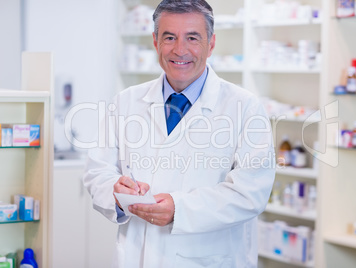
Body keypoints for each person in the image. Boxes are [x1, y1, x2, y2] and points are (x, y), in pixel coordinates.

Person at [83, 0, 276, 267]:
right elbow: (97, 172)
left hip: (209, 259)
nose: (180, 49)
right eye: (169, 37)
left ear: (211, 44)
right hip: (137, 255)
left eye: (192, 38)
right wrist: (115, 192)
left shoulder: (244, 107)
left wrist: (180, 209)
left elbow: (250, 193)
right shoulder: (125, 102)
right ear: (155, 41)